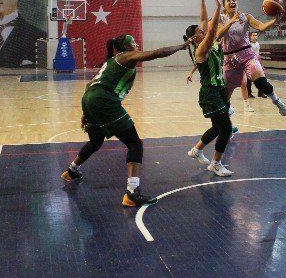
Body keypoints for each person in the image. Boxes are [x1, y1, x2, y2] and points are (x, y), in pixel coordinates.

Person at [61, 34, 190, 207]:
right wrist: (182, 46)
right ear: (127, 48)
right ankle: (132, 193)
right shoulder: (127, 56)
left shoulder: (113, 60)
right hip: (103, 100)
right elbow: (157, 53)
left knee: (95, 141)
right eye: (134, 43)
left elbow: (88, 84)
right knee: (135, 144)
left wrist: (85, 112)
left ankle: (71, 171)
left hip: (89, 98)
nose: (137, 45)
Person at [184, 0, 236, 177]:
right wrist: (218, 9)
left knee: (217, 127)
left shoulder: (208, 42)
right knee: (226, 129)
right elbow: (212, 26)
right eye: (200, 31)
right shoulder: (201, 50)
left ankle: (196, 150)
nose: (203, 30)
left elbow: (204, 21)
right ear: (194, 38)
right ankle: (215, 164)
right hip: (210, 93)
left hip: (217, 91)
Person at [217, 0, 286, 116]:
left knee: (261, 82)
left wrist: (274, 21)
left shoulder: (246, 17)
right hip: (229, 58)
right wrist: (230, 22)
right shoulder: (220, 19)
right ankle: (227, 113)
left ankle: (277, 101)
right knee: (225, 95)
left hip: (247, 54)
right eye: (228, 0)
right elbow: (218, 35)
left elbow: (261, 26)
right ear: (224, 5)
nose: (232, 1)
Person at [246, 32, 266, 98]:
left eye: (256, 35)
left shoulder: (258, 44)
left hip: (257, 62)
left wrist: (261, 63)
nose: (255, 36)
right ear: (250, 36)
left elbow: (258, 54)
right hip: (250, 63)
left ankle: (260, 93)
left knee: (261, 77)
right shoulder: (248, 44)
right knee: (249, 79)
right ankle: (249, 93)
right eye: (253, 35)